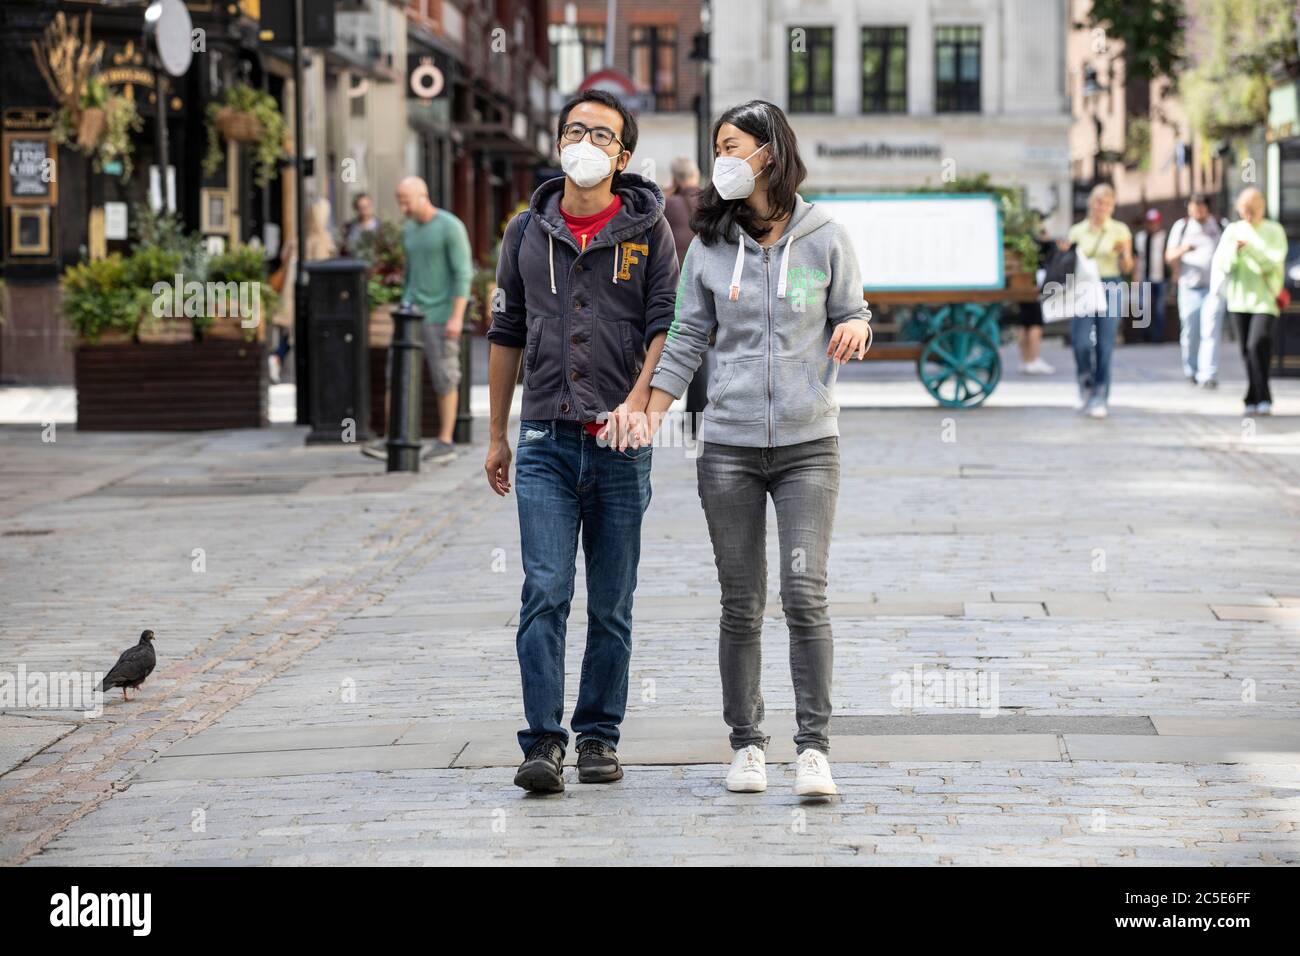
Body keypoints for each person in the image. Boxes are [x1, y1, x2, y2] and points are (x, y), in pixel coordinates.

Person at [635, 100, 872, 798]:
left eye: (732, 145)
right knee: (741, 603)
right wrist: (649, 414)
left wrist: (857, 327)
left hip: (809, 445)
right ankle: (746, 744)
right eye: (717, 147)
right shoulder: (709, 244)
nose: (723, 158)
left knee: (804, 595)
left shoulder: (826, 235)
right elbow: (684, 339)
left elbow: (852, 308)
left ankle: (813, 750)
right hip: (730, 447)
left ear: (767, 152)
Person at [484, 89, 679, 793]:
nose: (586, 142)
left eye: (602, 134)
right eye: (575, 130)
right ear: (558, 139)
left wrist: (639, 404)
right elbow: (505, 332)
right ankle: (543, 742)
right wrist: (496, 433)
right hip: (543, 439)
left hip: (622, 445)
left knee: (613, 599)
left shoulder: (651, 230)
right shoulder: (524, 233)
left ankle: (599, 736)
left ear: (623, 155)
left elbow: (669, 326)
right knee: (544, 588)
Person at [396, 175, 472, 463]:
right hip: (411, 316)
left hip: (441, 315)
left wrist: (456, 316)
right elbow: (409, 274)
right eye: (399, 201)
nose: (402, 207)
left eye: (406, 200)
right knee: (400, 374)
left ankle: (445, 440)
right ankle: (400, 436)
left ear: (422, 195)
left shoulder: (450, 227)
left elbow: (463, 274)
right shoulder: (409, 231)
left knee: (445, 376)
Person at [1212, 187, 1288, 416]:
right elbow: (1223, 264)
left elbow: (1273, 263)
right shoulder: (1233, 230)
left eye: (1252, 211)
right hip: (1238, 300)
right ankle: (1254, 395)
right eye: (1244, 211)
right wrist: (1235, 252)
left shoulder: (1274, 230)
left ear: (1261, 208)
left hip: (1265, 299)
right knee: (1247, 350)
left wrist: (1251, 249)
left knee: (1258, 344)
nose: (1248, 216)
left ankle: (1261, 396)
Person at [1067, 183, 1133, 419]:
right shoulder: (1077, 231)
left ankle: (1100, 394)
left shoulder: (1120, 230)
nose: (1101, 207)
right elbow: (1069, 264)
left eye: (1107, 203)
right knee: (1081, 341)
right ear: (1090, 203)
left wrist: (1123, 253)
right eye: (1098, 202)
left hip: (1110, 285)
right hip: (1084, 287)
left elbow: (1128, 267)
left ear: (1112, 206)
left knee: (1105, 344)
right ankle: (1085, 383)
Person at [1165, 192, 1224, 387]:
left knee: (1211, 330)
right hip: (1189, 286)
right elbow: (1169, 256)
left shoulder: (1220, 225)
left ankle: (1208, 374)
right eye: (1193, 207)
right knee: (1190, 330)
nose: (1197, 210)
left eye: (1200, 206)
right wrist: (1183, 249)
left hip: (1213, 288)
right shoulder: (1181, 227)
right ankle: (1192, 369)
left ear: (1207, 207)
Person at [1015, 228, 1057, 375]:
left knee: (1024, 321)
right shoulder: (1036, 241)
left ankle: (1025, 360)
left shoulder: (1017, 239)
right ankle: (1033, 359)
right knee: (1035, 322)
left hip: (1019, 282)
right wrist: (1048, 240)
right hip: (1033, 283)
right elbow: (1051, 254)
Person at [1133, 208, 1168, 342]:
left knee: (1159, 308)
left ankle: (1158, 337)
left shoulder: (1165, 237)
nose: (1152, 225)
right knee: (1144, 307)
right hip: (1144, 277)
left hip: (1160, 277)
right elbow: (1137, 257)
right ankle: (1145, 336)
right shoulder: (1140, 237)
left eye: (1155, 222)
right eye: (1150, 222)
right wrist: (1135, 277)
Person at [663, 156, 701, 264]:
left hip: (677, 267)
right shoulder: (709, 201)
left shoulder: (668, 204)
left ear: (674, 179)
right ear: (696, 174)